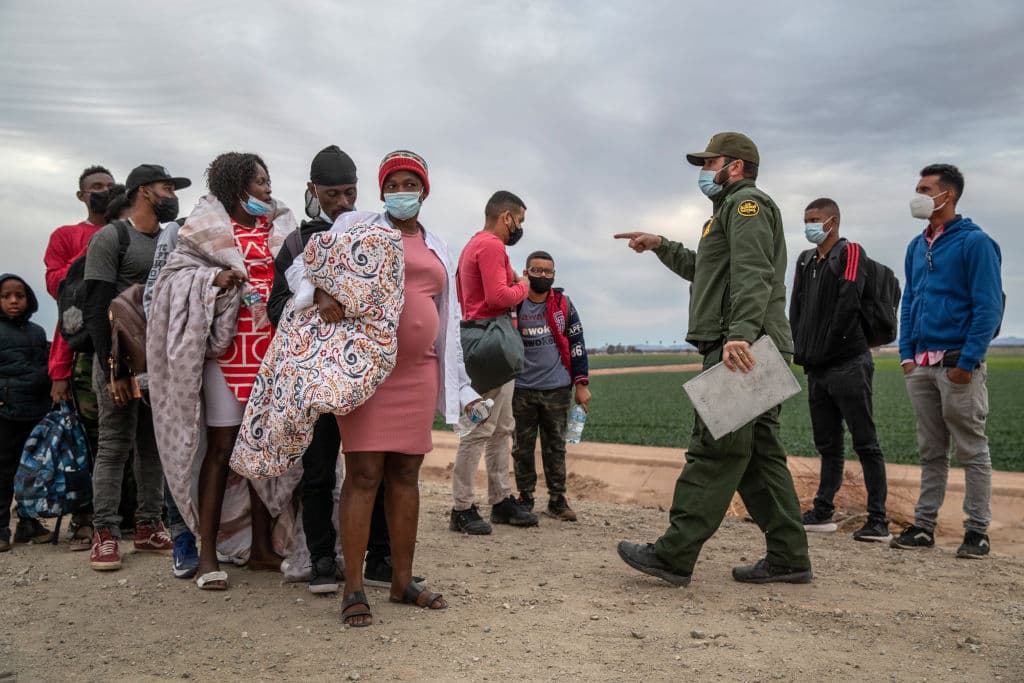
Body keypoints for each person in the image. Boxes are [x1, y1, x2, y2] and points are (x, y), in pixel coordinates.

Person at [287, 149, 478, 626]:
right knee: (364, 474)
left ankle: (401, 580)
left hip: (419, 372)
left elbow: (449, 319)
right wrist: (321, 292)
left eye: (409, 184)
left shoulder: (438, 246)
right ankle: (354, 587)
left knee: (406, 474)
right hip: (367, 370)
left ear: (424, 191)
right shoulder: (357, 226)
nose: (400, 193)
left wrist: (462, 386)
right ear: (381, 191)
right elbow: (301, 268)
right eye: (392, 185)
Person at [614, 132, 811, 586]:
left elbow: (753, 272)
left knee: (713, 450)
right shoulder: (723, 214)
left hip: (744, 346)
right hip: (755, 344)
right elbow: (705, 268)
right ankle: (789, 557)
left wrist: (739, 334)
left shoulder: (747, 206)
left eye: (709, 163)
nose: (703, 171)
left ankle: (673, 555)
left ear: (734, 167)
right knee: (759, 458)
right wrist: (660, 244)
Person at [268, 145, 418, 594]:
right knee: (317, 471)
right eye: (332, 194)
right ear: (312, 190)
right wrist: (316, 297)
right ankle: (322, 560)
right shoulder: (296, 245)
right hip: (317, 380)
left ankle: (380, 560)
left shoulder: (374, 235)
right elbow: (276, 308)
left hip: (365, 379)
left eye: (349, 192)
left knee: (373, 470)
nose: (342, 202)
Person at [148, 152, 299, 590]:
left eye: (268, 180)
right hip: (227, 355)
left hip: (270, 354)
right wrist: (211, 281)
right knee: (220, 449)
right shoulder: (203, 231)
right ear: (235, 186)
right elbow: (171, 283)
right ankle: (207, 555)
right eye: (259, 181)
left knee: (260, 450)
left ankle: (262, 547)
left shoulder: (279, 228)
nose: (268, 189)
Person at [892, 164, 1003, 559]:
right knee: (931, 451)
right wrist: (906, 355)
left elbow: (988, 307)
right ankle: (924, 527)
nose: (917, 196)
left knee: (972, 450)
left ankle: (977, 532)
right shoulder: (916, 246)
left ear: (947, 195)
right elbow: (909, 302)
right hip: (921, 365)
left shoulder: (976, 243)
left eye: (925, 189)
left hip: (957, 364)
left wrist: (967, 362)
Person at [83, 164, 189, 570]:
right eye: (167, 188)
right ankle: (105, 532)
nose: (171, 196)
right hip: (119, 361)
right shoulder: (113, 237)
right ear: (145, 191)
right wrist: (115, 370)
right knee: (114, 445)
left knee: (153, 446)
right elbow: (96, 307)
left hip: (158, 362)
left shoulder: (171, 239)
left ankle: (149, 525)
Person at [789, 198, 890, 542]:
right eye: (806, 220)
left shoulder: (851, 253)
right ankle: (822, 512)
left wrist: (825, 347)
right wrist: (801, 349)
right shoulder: (805, 261)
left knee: (866, 442)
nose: (810, 225)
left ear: (833, 221)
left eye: (815, 219)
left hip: (848, 363)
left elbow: (848, 302)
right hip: (817, 369)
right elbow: (797, 308)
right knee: (828, 444)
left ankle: (878, 520)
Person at [450, 191, 539, 535]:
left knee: (501, 428)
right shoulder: (491, 246)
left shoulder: (475, 245)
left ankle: (501, 499)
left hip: (488, 340)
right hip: (490, 343)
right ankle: (461, 507)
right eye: (520, 220)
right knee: (479, 429)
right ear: (507, 217)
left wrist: (512, 279)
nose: (520, 227)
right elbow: (498, 296)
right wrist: (524, 286)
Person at [43, 165, 115, 551]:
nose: (103, 191)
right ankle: (85, 520)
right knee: (87, 439)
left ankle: (128, 518)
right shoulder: (66, 236)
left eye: (109, 186)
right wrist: (98, 250)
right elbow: (57, 285)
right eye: (96, 187)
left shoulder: (128, 232)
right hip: (82, 351)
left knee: (127, 437)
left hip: (125, 348)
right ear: (81, 195)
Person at [511, 250, 591, 521]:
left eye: (548, 272)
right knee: (521, 446)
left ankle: (557, 500)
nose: (543, 276)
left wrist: (581, 384)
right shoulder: (515, 303)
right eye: (537, 271)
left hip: (557, 388)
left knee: (555, 446)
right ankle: (525, 497)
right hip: (521, 388)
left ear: (554, 275)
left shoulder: (563, 305)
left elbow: (577, 344)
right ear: (526, 273)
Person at [0, 274, 54, 551]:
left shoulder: (37, 332)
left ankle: (28, 524)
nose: (13, 301)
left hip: (35, 412)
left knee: (32, 472)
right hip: (5, 414)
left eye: (19, 296)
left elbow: (47, 365)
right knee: (3, 472)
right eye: (6, 296)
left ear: (28, 299)